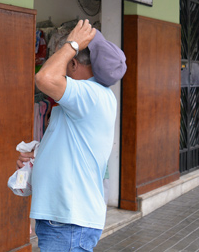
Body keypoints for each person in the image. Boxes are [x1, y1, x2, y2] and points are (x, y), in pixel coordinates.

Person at [16, 19, 126, 251]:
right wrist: (39, 154)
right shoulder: (85, 99)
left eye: (64, 61)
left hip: (68, 222)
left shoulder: (90, 94)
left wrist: (71, 44)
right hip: (64, 220)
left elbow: (43, 78)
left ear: (73, 64)